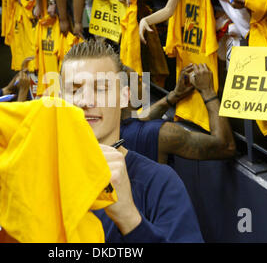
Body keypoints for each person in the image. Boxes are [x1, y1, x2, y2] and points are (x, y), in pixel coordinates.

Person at [60, 39, 204, 242]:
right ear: (59, 99)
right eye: (74, 90)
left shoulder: (160, 183)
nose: (85, 101)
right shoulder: (38, 176)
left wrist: (129, 219)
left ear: (123, 97)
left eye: (100, 89)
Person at [121, 63, 236, 164]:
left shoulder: (112, 125)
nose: (145, 85)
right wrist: (208, 91)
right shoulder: (164, 133)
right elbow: (226, 147)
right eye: (140, 82)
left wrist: (175, 94)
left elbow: (142, 118)